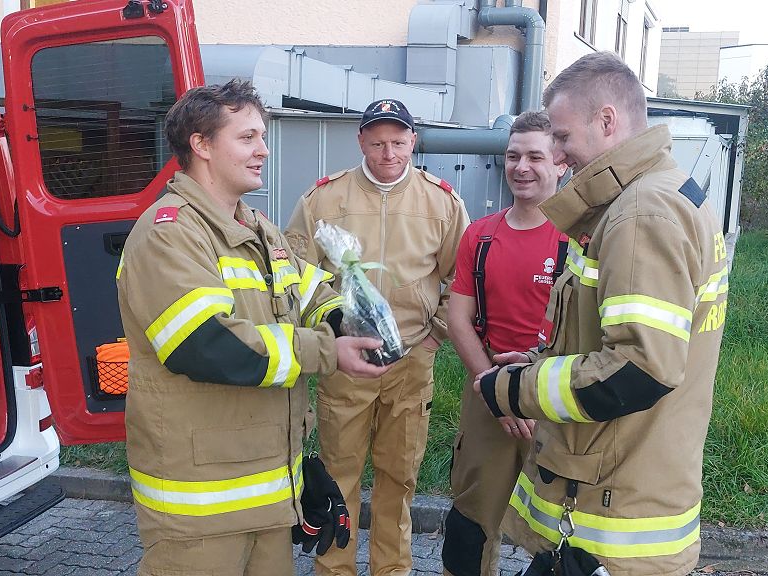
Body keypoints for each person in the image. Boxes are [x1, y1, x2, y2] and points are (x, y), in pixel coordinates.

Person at [117, 80, 390, 576]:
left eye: (262, 136)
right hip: (201, 509)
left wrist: (349, 317)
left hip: (268, 495)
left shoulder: (258, 228)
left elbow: (308, 292)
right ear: (201, 145)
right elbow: (207, 345)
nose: (264, 149)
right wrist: (330, 351)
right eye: (247, 138)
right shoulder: (169, 233)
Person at [473, 52, 730, 576]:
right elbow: (616, 336)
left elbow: (639, 369)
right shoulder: (660, 193)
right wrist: (547, 361)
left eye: (562, 136)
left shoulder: (641, 214)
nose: (558, 154)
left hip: (612, 515)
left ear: (607, 120)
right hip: (627, 488)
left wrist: (517, 387)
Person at [286, 98, 470, 576]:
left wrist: (435, 337)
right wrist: (331, 333)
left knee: (399, 477)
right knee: (338, 474)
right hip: (345, 362)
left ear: (413, 141)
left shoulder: (442, 202)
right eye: (377, 143)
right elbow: (296, 275)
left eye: (398, 142)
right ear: (361, 141)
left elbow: (463, 278)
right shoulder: (324, 199)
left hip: (411, 360)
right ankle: (335, 568)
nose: (388, 153)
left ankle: (392, 569)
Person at [441, 110, 567, 576]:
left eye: (536, 156)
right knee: (469, 529)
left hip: (557, 399)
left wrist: (529, 394)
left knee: (559, 536)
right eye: (513, 156)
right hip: (487, 392)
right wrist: (496, 391)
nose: (521, 167)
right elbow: (458, 318)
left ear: (561, 163)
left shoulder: (582, 238)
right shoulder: (480, 235)